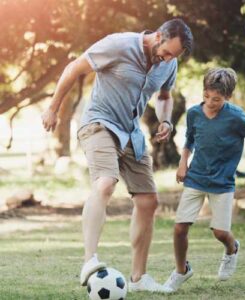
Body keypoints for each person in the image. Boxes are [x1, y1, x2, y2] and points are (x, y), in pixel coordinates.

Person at [41, 19, 193, 293]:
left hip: (131, 132)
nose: (168, 59)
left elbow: (164, 96)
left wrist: (166, 120)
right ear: (158, 35)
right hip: (99, 123)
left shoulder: (169, 64)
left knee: (149, 201)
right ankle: (89, 261)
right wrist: (53, 107)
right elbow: (74, 68)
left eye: (174, 56)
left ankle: (139, 278)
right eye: (167, 52)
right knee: (106, 182)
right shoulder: (118, 44)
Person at [164, 67, 245, 291]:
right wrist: (183, 162)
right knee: (179, 228)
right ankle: (181, 271)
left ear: (227, 97)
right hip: (195, 178)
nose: (210, 102)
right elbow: (189, 140)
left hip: (222, 183)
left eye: (216, 99)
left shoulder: (236, 117)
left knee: (220, 232)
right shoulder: (194, 113)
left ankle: (232, 249)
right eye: (206, 96)